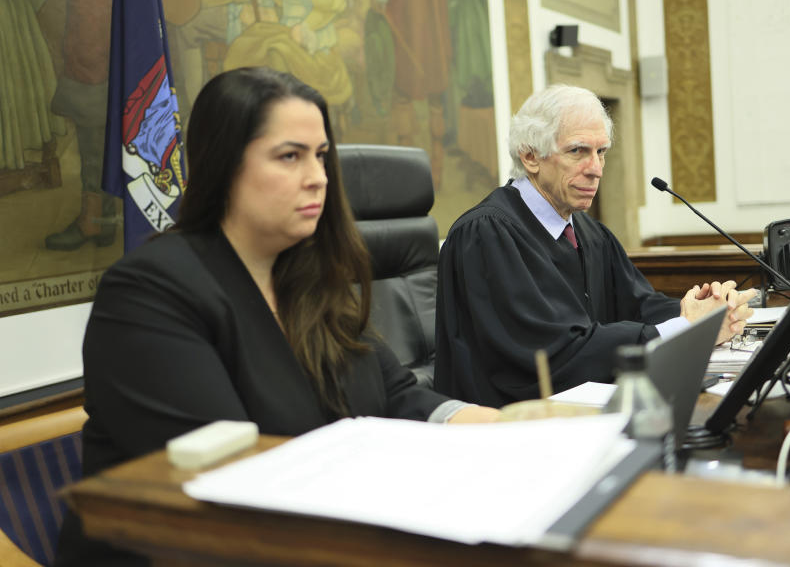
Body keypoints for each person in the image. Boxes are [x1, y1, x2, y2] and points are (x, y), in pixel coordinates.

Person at [55, 66, 498, 566]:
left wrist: (502, 427)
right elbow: (228, 483)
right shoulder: (149, 293)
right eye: (289, 156)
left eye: (321, 157)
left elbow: (393, 392)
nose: (317, 178)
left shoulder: (308, 275)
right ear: (223, 165)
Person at [434, 84, 755, 408]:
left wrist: (706, 310)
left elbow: (639, 306)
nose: (596, 169)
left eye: (601, 152)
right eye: (578, 151)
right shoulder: (487, 235)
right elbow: (553, 353)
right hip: (507, 430)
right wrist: (687, 327)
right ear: (530, 156)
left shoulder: (588, 232)